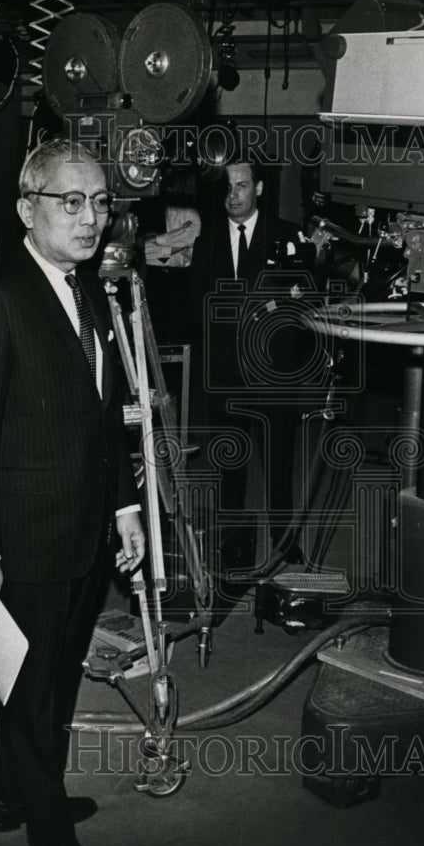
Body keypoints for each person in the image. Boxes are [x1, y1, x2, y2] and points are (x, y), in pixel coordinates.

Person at [0, 139, 145, 846]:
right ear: (27, 208)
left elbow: (104, 418)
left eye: (99, 202)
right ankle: (47, 827)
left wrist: (124, 506)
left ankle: (7, 797)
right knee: (31, 694)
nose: (90, 218)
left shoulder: (87, 291)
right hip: (21, 541)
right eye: (71, 201)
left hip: (85, 530)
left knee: (52, 678)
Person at [189, 157, 308, 570]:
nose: (232, 196)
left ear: (258, 189)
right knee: (230, 466)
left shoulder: (286, 235)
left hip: (274, 373)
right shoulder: (207, 242)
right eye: (226, 188)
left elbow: (302, 298)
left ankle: (283, 539)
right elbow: (199, 308)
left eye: (241, 186)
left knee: (278, 463)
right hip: (225, 374)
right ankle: (233, 545)